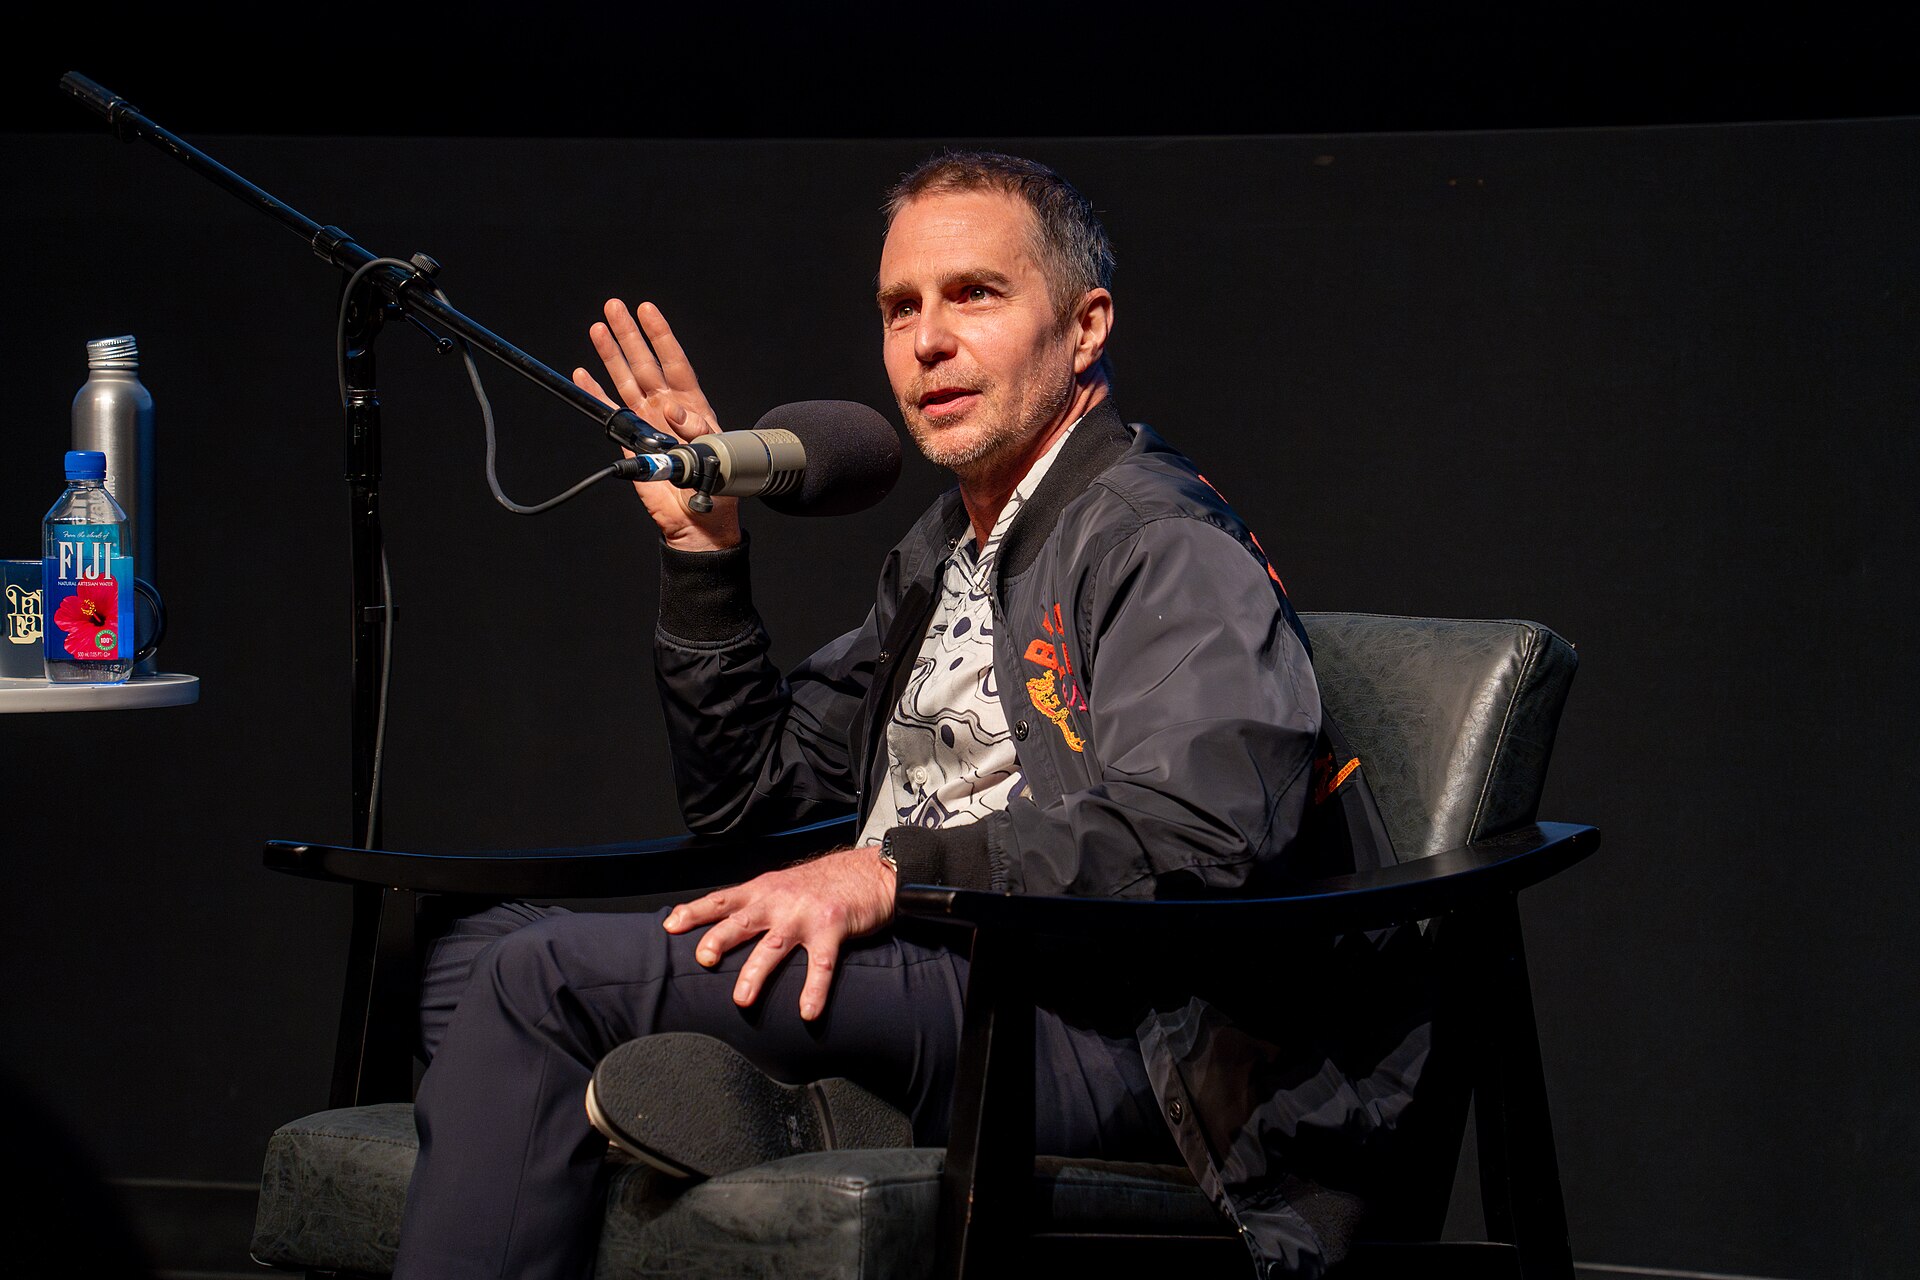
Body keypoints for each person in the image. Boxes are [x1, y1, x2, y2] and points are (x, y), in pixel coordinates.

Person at [394, 151, 1421, 1280]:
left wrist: (893, 872)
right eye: (899, 308)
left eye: (974, 293)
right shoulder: (947, 551)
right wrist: (705, 560)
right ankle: (841, 1119)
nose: (926, 340)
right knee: (469, 954)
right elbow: (754, 800)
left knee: (535, 983)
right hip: (942, 974)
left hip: (1109, 1029)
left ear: (1085, 327)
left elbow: (1202, 832)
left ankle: (812, 1120)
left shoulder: (1159, 542)